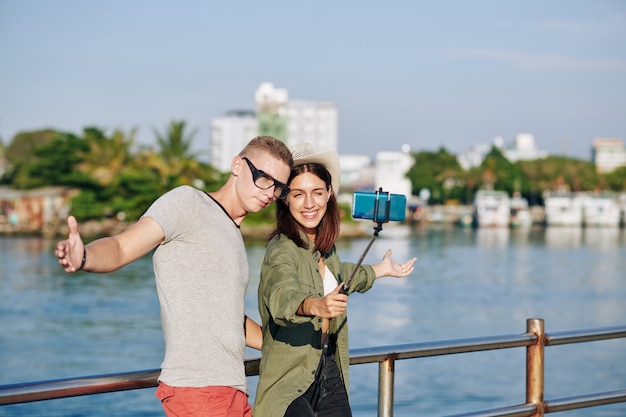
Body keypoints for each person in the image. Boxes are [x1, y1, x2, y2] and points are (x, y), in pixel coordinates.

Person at [55, 136, 293, 417]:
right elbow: (121, 247)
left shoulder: (231, 232)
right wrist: (84, 257)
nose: (270, 192)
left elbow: (226, 318)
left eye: (279, 186)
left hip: (231, 389)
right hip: (200, 389)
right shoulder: (188, 203)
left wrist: (285, 343)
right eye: (263, 178)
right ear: (238, 166)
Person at [253, 143, 417, 417]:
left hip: (328, 368)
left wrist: (381, 269)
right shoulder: (282, 249)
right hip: (290, 377)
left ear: (329, 194)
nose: (309, 203)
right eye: (298, 194)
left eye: (317, 192)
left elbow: (342, 276)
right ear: (285, 199)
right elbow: (282, 296)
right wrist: (315, 306)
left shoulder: (326, 249)